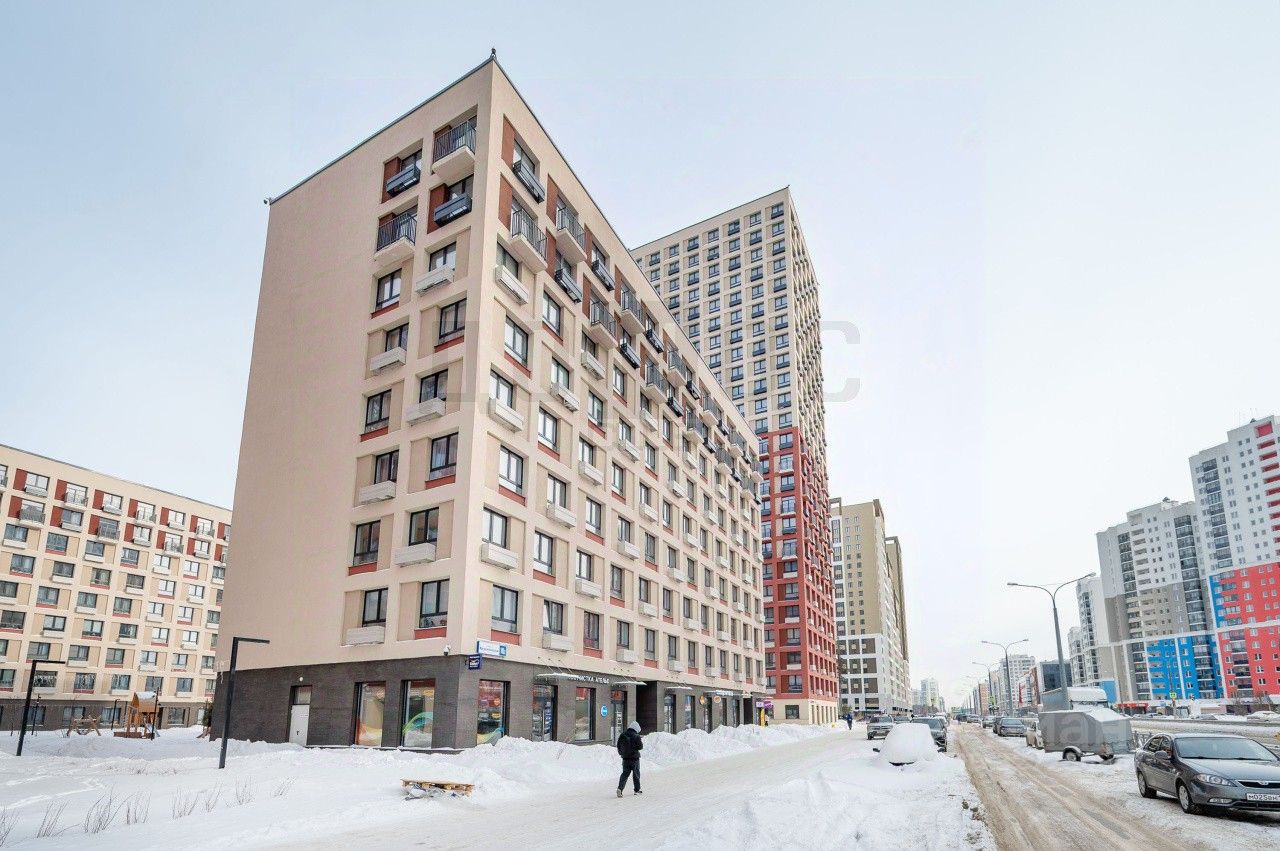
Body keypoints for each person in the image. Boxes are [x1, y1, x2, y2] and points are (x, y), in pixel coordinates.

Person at [616, 720, 643, 797]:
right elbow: (640, 747)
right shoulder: (636, 736)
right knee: (636, 774)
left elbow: (618, 746)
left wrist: (622, 753)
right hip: (634, 759)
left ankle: (620, 789)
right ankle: (637, 790)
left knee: (625, 774)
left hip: (625, 759)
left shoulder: (622, 735)